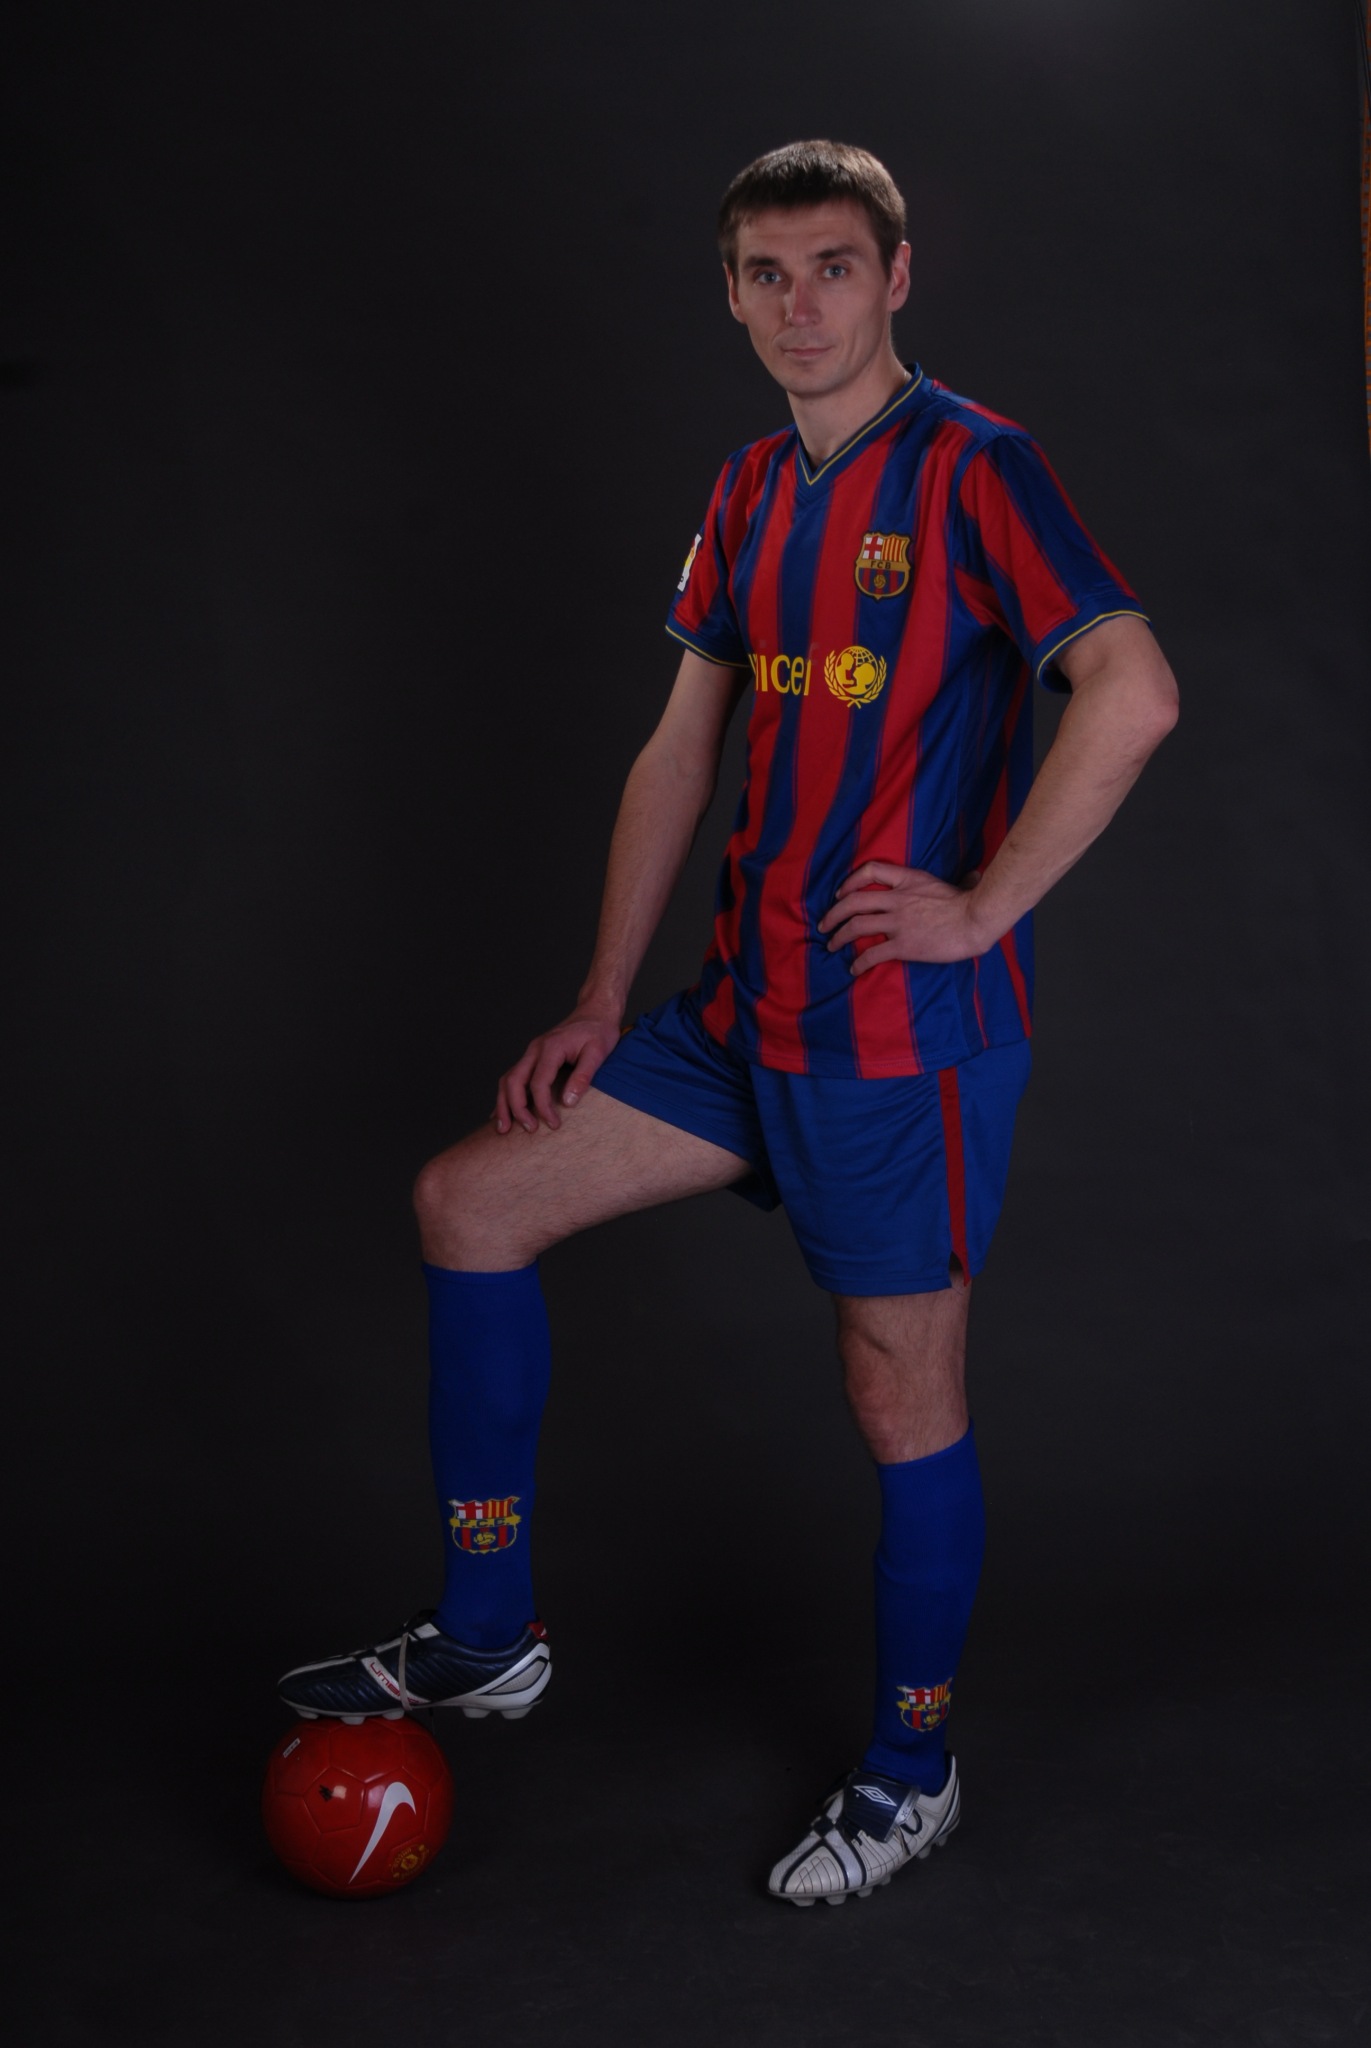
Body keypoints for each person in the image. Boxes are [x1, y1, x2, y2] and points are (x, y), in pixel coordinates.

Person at [278, 139, 1178, 1906]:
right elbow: (679, 750)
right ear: (732, 294)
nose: (801, 303)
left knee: (897, 1394)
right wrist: (605, 995)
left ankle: (911, 1770)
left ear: (897, 276)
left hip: (898, 1045)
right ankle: (489, 1634)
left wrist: (980, 906)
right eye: (767, 273)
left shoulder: (978, 468)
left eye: (834, 266)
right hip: (737, 1016)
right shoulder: (753, 488)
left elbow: (1133, 692)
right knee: (472, 1200)